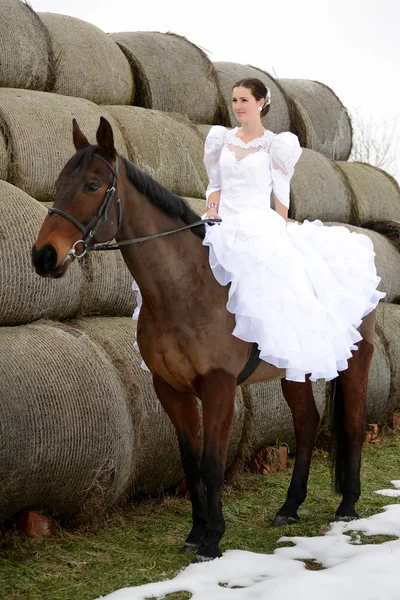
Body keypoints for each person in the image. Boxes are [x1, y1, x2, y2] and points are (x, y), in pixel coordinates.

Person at [202, 77, 385, 383]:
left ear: (261, 103)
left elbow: (280, 194)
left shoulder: (277, 145)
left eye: (244, 100)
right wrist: (211, 212)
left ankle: (264, 346)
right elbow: (215, 184)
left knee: (267, 275)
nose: (237, 107)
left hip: (258, 223)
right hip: (221, 221)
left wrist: (278, 227)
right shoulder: (220, 139)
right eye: (234, 100)